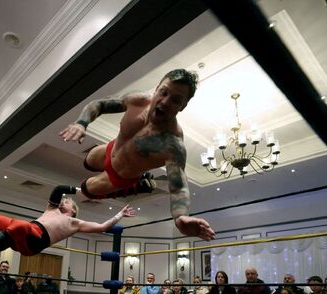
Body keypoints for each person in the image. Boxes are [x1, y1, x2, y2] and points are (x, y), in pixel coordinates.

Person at [59, 69, 215, 241]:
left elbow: (178, 186)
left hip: (120, 176)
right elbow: (99, 104)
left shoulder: (173, 145)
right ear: (156, 89)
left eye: (175, 100)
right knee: (87, 161)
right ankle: (138, 182)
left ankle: (137, 185)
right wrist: (81, 123)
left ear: (183, 106)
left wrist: (180, 217)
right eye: (163, 92)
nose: (164, 102)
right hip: (110, 149)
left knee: (87, 189)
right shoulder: (138, 100)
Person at [0, 185, 135, 280]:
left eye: (67, 201)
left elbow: (102, 227)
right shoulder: (51, 209)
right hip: (24, 229)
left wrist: (119, 214)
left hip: (34, 242)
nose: (64, 200)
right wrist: (82, 190)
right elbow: (58, 189)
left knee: (21, 226)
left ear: (73, 209)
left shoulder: (75, 222)